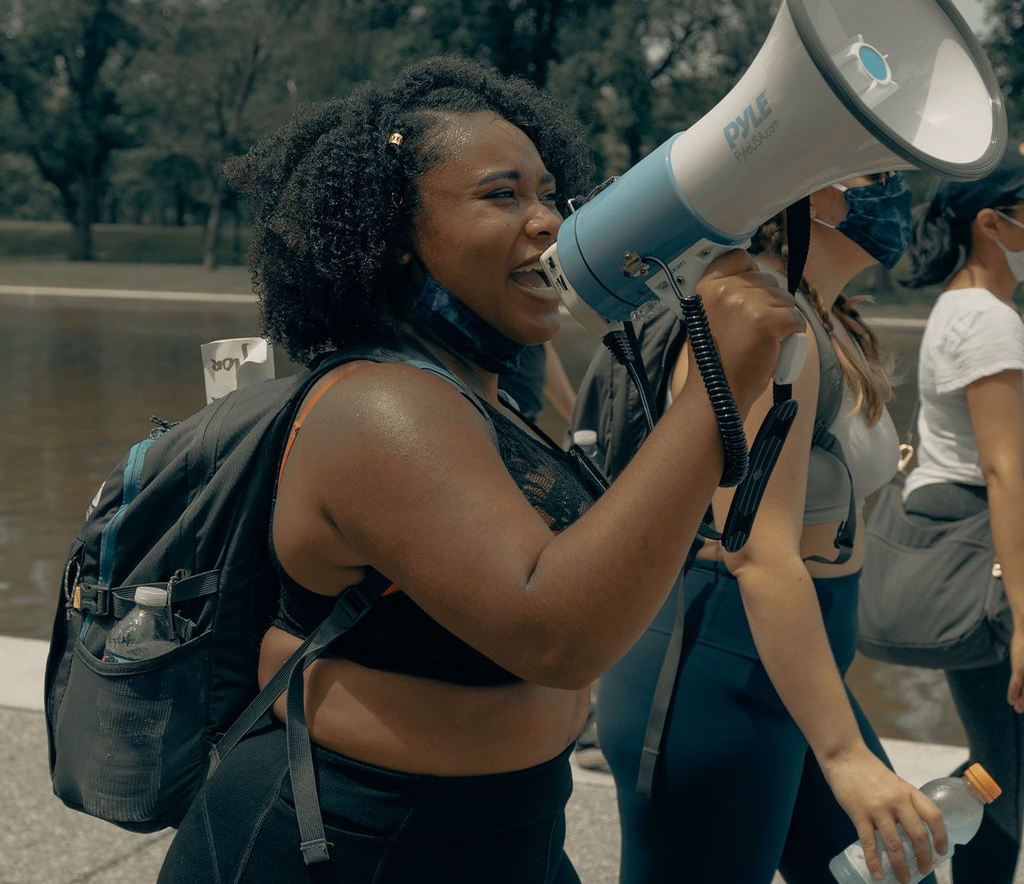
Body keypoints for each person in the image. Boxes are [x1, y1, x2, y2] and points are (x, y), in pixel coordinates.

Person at [155, 54, 809, 884]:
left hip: (507, 831)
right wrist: (717, 385)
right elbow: (555, 633)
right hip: (354, 841)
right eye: (502, 196)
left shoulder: (482, 394)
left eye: (549, 195)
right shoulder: (379, 407)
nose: (548, 223)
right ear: (392, 235)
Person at [575, 173, 948, 883]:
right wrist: (845, 756)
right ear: (813, 191)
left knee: (901, 874)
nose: (897, 192)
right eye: (875, 177)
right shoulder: (762, 320)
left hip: (794, 667)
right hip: (716, 671)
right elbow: (757, 551)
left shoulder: (828, 316)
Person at [899, 141, 1024, 884]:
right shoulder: (988, 321)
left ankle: (904, 822)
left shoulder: (963, 307)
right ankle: (893, 829)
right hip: (991, 555)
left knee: (1000, 762)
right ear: (992, 223)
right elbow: (1004, 469)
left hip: (976, 546)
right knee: (1004, 772)